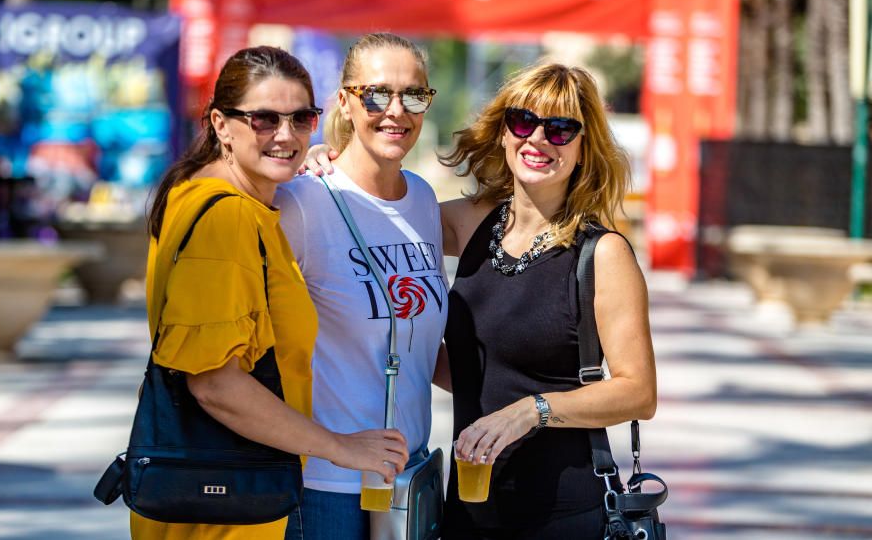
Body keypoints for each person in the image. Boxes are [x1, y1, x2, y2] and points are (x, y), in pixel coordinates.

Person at [131, 46, 408, 540]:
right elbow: (216, 384)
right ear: (221, 124)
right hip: (230, 511)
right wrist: (342, 447)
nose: (285, 135)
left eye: (301, 119)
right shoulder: (228, 218)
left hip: (224, 498)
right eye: (263, 119)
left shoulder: (202, 194)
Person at [439, 63, 657, 538]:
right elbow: (377, 215)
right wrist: (324, 160)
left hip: (561, 516)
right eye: (523, 121)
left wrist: (532, 410)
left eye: (560, 129)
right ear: (502, 133)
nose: (538, 139)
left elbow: (638, 392)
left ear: (583, 149)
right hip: (468, 509)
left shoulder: (602, 253)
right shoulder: (471, 222)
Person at [273, 33, 449, 540]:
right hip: (326, 487)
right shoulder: (303, 201)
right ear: (346, 102)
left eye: (413, 95)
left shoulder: (422, 198)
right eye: (376, 94)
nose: (396, 110)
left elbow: (419, 343)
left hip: (407, 478)